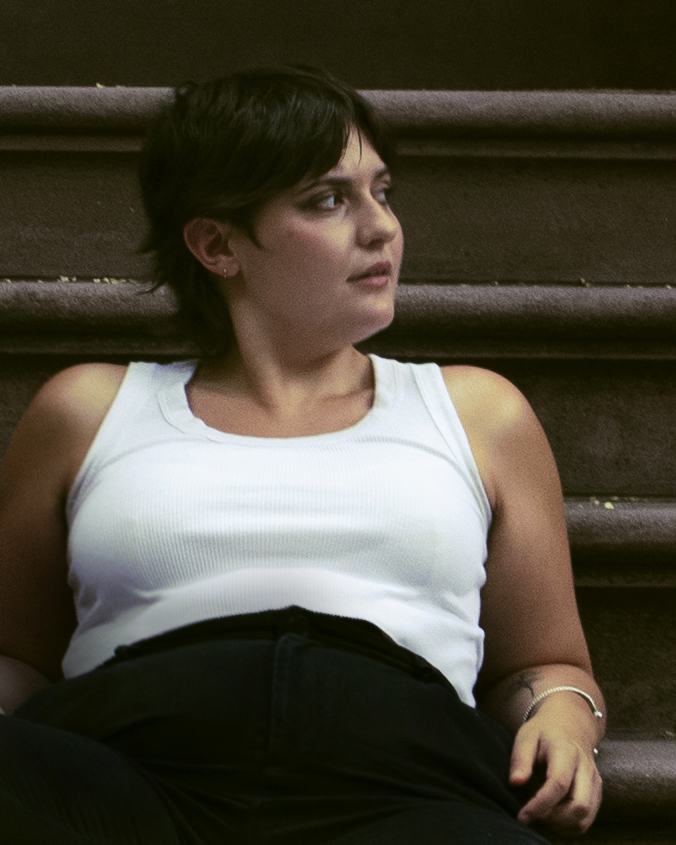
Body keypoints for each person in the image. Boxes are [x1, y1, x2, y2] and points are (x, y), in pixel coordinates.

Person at [0, 66, 604, 844]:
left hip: (400, 782)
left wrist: (564, 714)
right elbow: (17, 656)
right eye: (327, 200)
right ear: (218, 243)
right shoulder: (88, 409)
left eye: (382, 192)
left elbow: (546, 663)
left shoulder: (478, 412)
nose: (381, 228)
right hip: (130, 778)